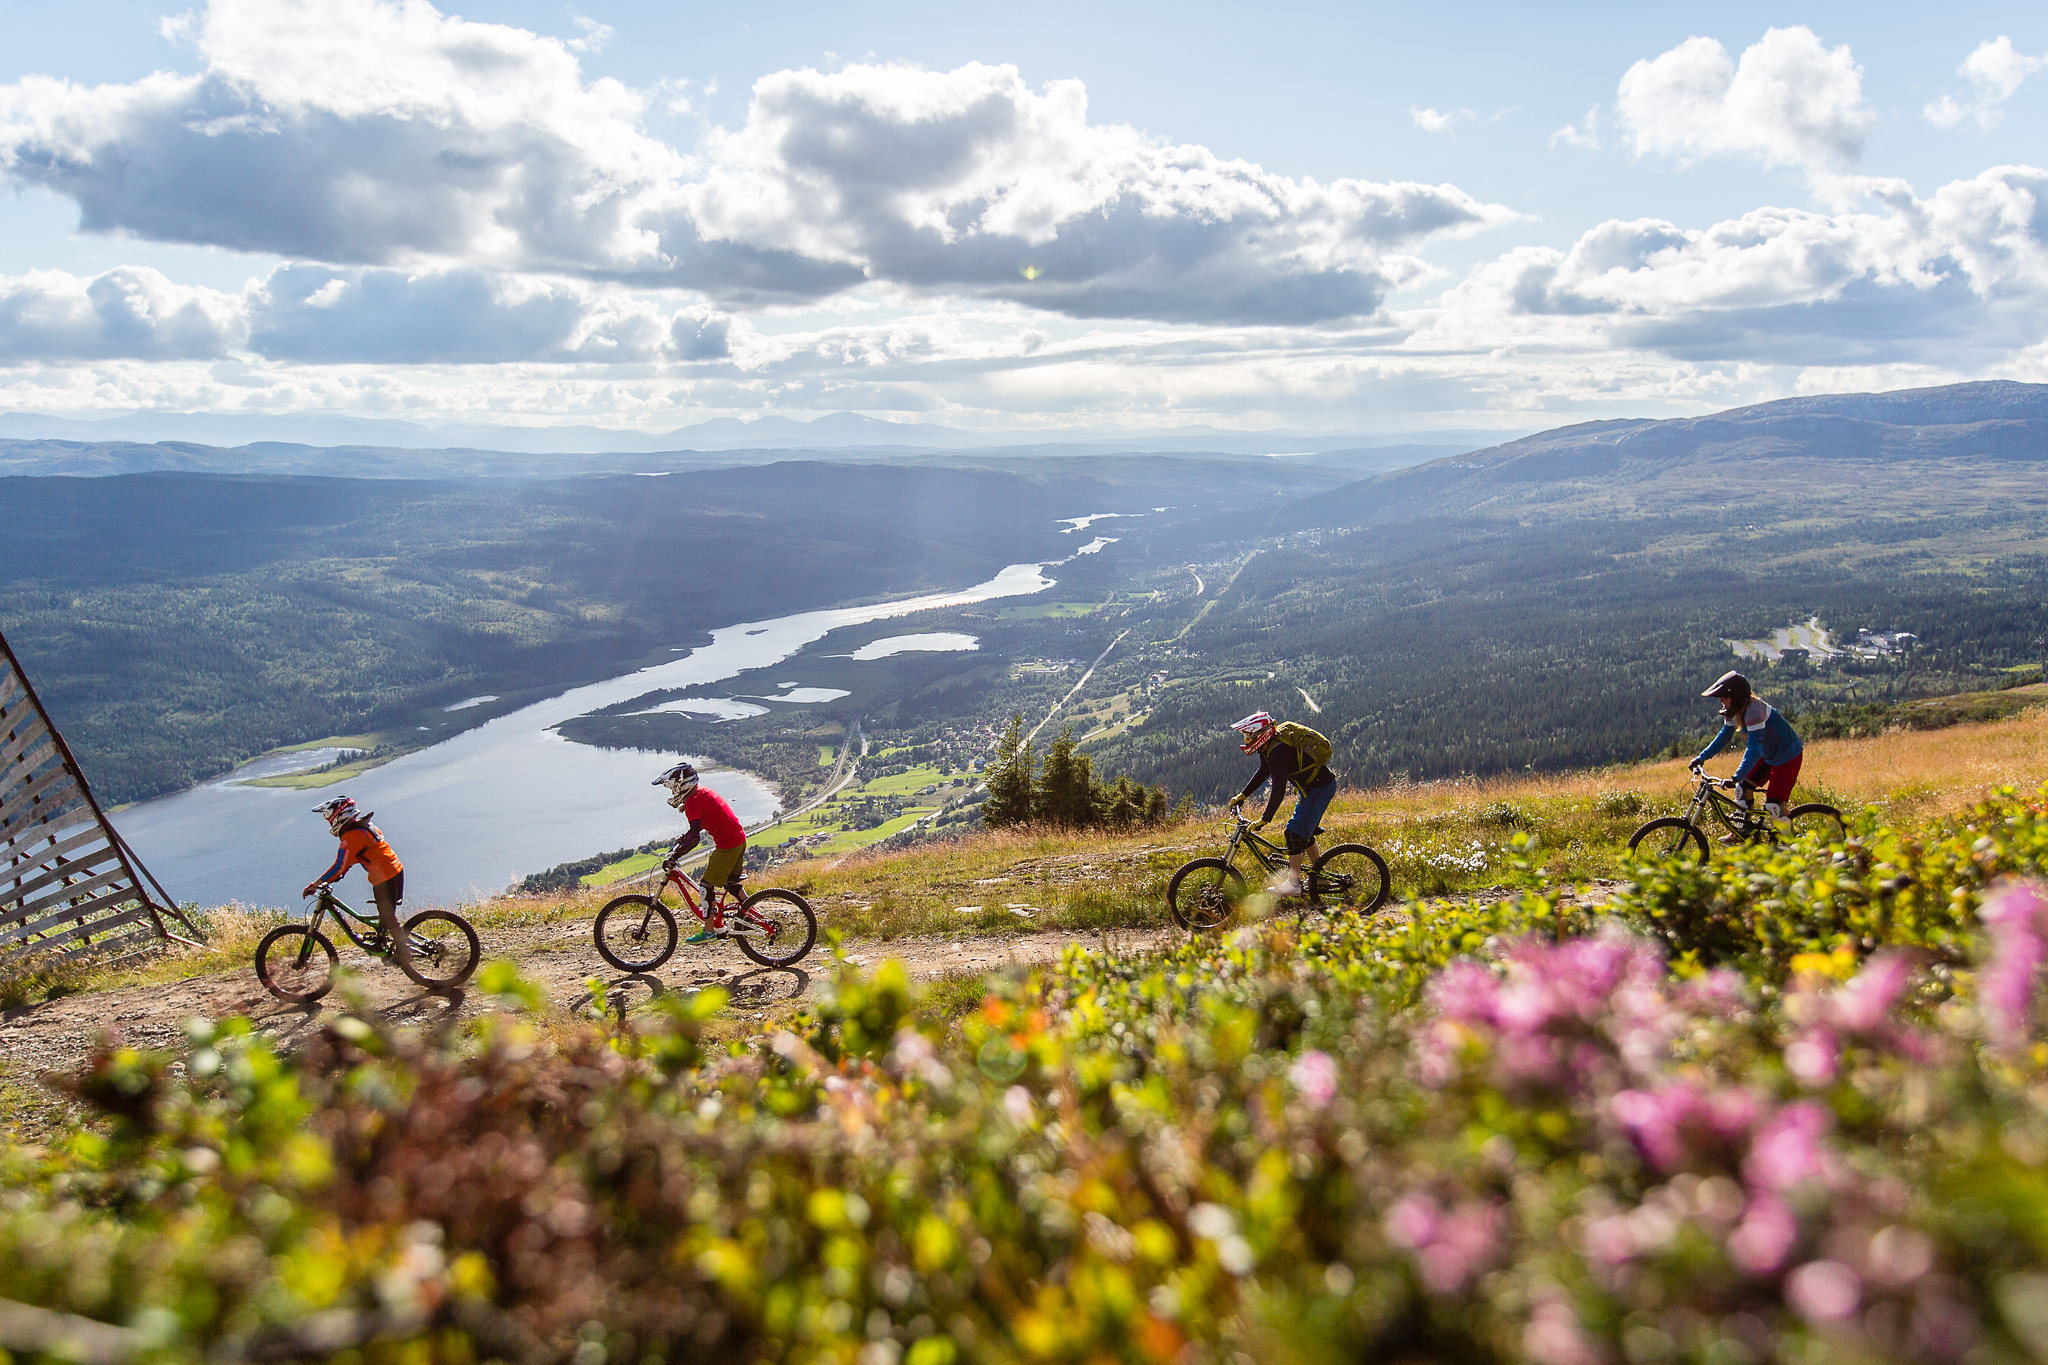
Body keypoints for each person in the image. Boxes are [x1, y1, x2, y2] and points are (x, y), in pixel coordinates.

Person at [1227, 710, 1339, 897]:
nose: (1246, 740)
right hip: (1310, 789)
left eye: (1248, 736)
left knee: (1293, 832)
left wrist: (1265, 819)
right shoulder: (1268, 747)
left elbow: (1278, 790)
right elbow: (1263, 771)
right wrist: (1243, 795)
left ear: (1259, 735)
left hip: (1319, 789)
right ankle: (1321, 877)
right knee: (1303, 832)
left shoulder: (1278, 751)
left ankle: (1294, 884)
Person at [302, 795, 412, 971]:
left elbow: (339, 866)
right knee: (386, 917)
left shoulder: (352, 836)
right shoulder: (364, 826)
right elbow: (353, 860)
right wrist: (338, 873)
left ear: (339, 816)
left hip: (385, 878)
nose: (329, 823)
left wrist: (317, 883)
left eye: (330, 818)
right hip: (394, 872)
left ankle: (405, 953)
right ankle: (383, 945)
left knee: (388, 917)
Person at [1693, 670, 1805, 840]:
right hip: (1768, 754)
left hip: (1787, 756)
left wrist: (1737, 775)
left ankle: (1791, 843)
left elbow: (1754, 747)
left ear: (1736, 697)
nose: (1721, 701)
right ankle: (1742, 832)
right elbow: (1724, 736)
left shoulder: (1754, 711)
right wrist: (1702, 757)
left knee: (1773, 805)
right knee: (1742, 790)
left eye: (1724, 697)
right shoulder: (1734, 710)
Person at [653, 761, 749, 945]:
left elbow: (695, 837)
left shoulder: (693, 801)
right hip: (738, 839)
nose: (672, 793)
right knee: (731, 883)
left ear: (680, 785)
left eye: (672, 788)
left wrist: (676, 855)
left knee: (706, 886)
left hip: (728, 845)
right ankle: (749, 912)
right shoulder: (701, 792)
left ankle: (709, 930)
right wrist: (683, 840)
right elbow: (696, 829)